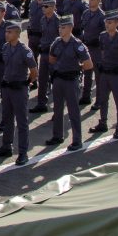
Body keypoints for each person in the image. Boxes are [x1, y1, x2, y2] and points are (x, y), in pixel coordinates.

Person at [0, 20, 37, 166]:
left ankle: (23, 152)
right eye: (6, 32)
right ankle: (6, 146)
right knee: (7, 118)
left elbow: (34, 71)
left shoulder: (25, 51)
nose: (6, 34)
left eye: (9, 32)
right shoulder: (5, 47)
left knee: (22, 121)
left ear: (17, 34)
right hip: (7, 87)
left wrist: (26, 83)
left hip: (19, 88)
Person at [46, 14, 93, 152]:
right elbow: (51, 59)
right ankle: (57, 135)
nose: (60, 29)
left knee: (73, 111)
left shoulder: (78, 45)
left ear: (71, 28)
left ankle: (77, 140)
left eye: (63, 27)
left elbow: (89, 64)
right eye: (60, 27)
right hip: (59, 79)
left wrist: (76, 70)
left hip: (71, 81)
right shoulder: (56, 43)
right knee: (57, 109)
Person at [88, 10, 118, 139]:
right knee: (103, 99)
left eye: (110, 22)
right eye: (106, 22)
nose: (107, 25)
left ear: (117, 23)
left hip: (115, 74)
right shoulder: (102, 36)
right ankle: (103, 122)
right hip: (104, 73)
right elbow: (102, 50)